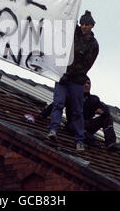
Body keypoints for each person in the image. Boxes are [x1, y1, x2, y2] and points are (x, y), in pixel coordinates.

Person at [47, 10, 99, 152]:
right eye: (82, 24)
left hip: (76, 80)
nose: (83, 27)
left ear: (92, 26)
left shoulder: (93, 45)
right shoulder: (72, 33)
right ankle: (53, 129)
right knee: (58, 103)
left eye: (86, 24)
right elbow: (66, 19)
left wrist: (68, 73)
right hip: (62, 76)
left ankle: (79, 139)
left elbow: (85, 66)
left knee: (77, 111)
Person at [38, 77, 118, 150]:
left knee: (107, 117)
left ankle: (110, 143)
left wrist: (102, 111)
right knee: (75, 125)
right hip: (73, 124)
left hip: (87, 124)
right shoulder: (71, 96)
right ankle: (90, 139)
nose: (86, 85)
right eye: (84, 83)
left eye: (88, 83)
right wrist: (42, 115)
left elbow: (105, 109)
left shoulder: (94, 99)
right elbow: (56, 105)